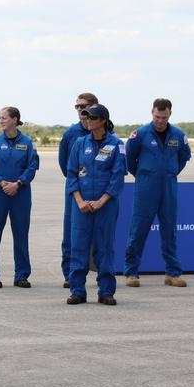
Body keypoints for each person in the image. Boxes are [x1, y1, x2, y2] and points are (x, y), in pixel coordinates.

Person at [123, 98, 192, 287]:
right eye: (156, 116)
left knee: (169, 230)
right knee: (138, 230)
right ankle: (131, 272)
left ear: (170, 114)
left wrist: (170, 173)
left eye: (163, 117)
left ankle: (172, 272)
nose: (160, 120)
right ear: (151, 113)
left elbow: (184, 158)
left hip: (168, 188)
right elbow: (129, 160)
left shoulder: (178, 135)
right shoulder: (140, 134)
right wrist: (145, 176)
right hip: (146, 188)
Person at [65, 104, 126, 305]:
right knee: (79, 246)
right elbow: (72, 174)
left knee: (104, 247)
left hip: (105, 206)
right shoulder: (80, 143)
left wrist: (101, 201)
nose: (87, 120)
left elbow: (117, 177)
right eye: (86, 117)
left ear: (102, 121)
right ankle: (77, 290)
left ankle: (106, 291)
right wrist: (80, 201)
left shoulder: (117, 145)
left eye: (91, 117)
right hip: (81, 205)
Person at [0, 107, 40, 288]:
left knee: (21, 235)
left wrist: (18, 184)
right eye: (0, 118)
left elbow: (32, 167)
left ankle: (21, 275)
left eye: (4, 118)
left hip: (21, 194)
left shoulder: (28, 143)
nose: (1, 121)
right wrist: (2, 183)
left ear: (15, 120)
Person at [58, 92, 98, 287]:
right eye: (77, 107)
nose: (81, 110)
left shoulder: (105, 133)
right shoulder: (71, 134)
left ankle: (101, 272)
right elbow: (64, 164)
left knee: (101, 235)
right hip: (75, 191)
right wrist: (76, 187)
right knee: (71, 233)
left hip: (99, 192)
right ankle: (70, 274)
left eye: (84, 106)